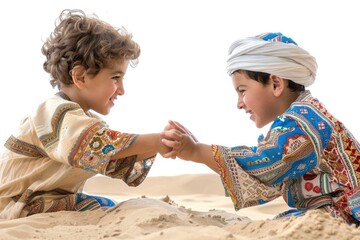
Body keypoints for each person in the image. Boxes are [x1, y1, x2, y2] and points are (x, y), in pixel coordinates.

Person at [162, 32, 360, 225]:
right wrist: (197, 149)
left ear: (275, 84)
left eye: (242, 91)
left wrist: (196, 151)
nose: (239, 103)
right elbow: (270, 179)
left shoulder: (304, 123)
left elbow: (263, 167)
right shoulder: (303, 115)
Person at [0, 9, 174, 219]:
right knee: (104, 207)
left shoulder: (85, 121)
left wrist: (160, 146)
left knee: (107, 205)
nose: (121, 90)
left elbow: (112, 159)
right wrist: (158, 140)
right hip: (16, 206)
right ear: (80, 77)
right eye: (115, 78)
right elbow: (95, 145)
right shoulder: (54, 113)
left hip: (39, 202)